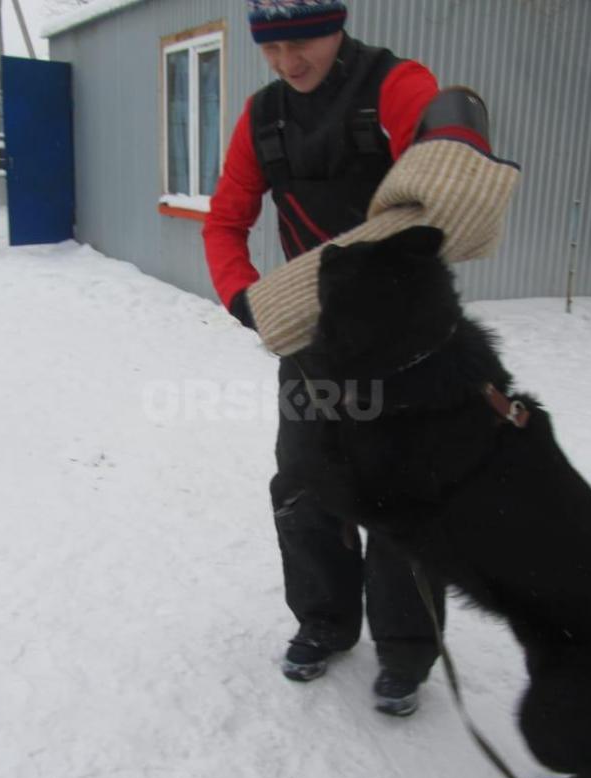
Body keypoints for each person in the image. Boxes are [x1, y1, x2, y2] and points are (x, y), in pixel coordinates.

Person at [203, 0, 490, 717]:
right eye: (271, 47)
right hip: (311, 337)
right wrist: (242, 295)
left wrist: (455, 138)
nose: (287, 61)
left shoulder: (393, 86)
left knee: (403, 495)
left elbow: (446, 149)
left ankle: (405, 651)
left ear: (338, 23)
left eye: (303, 40)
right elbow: (226, 219)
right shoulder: (262, 117)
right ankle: (324, 623)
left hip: (406, 342)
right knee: (306, 483)